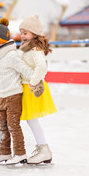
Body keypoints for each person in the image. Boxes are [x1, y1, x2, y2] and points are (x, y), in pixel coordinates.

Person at [0, 18, 34, 165]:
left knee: (13, 125)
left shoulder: (11, 56)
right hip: (3, 96)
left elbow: (25, 69)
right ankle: (4, 152)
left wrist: (35, 79)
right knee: (0, 124)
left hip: (14, 96)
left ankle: (20, 153)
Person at [19, 14, 57, 164]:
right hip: (27, 87)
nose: (22, 36)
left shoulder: (35, 50)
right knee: (31, 120)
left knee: (32, 120)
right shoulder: (27, 49)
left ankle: (44, 149)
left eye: (25, 33)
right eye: (21, 32)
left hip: (32, 89)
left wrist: (33, 82)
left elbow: (42, 66)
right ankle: (43, 149)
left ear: (34, 34)